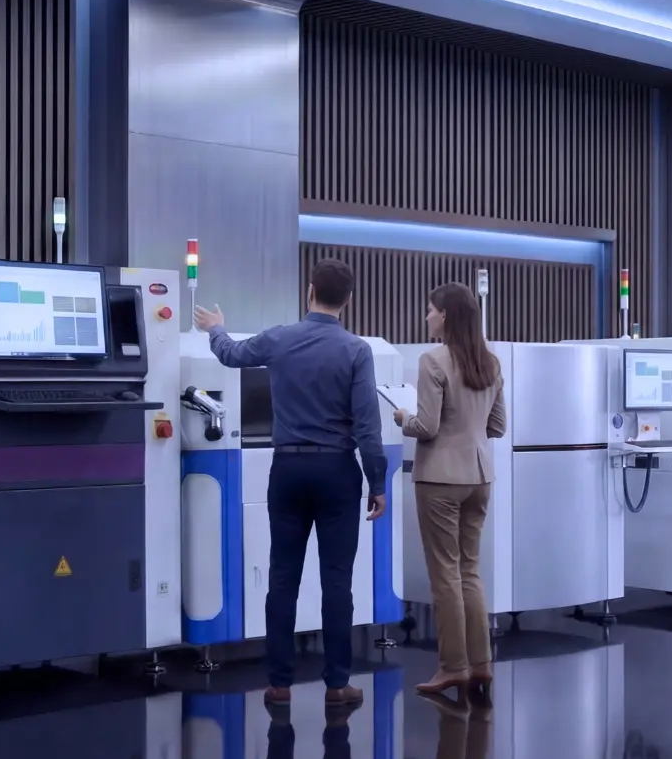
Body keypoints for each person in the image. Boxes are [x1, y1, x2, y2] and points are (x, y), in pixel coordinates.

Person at [194, 260, 387, 708]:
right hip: (337, 472)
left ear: (310, 290)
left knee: (282, 576)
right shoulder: (357, 350)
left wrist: (216, 328)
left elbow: (231, 354)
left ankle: (279, 683)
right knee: (337, 580)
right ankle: (337, 684)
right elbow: (367, 425)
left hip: (287, 469)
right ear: (348, 300)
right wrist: (377, 480)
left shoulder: (280, 338)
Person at [391, 282, 506, 697]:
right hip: (480, 477)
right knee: (470, 571)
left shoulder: (432, 360)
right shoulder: (490, 362)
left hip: (440, 478)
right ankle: (481, 663)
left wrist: (402, 417)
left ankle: (453, 666)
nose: (427, 317)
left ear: (445, 316)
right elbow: (497, 427)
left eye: (430, 310)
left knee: (445, 574)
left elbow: (427, 427)